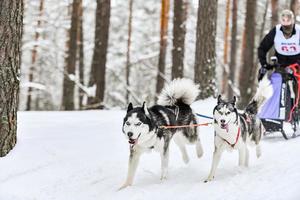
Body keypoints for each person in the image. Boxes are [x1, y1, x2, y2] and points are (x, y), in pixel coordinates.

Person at [258, 9, 300, 81]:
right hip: (280, 65)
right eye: (284, 21)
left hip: (297, 64)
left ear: (292, 21)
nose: (286, 25)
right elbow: (262, 48)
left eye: (288, 21)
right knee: (267, 79)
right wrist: (264, 64)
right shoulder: (275, 31)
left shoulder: (299, 31)